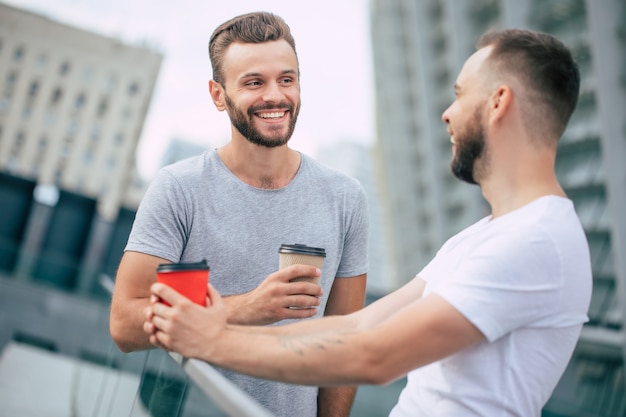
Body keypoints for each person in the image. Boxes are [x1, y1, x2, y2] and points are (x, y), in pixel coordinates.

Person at [144, 28, 593, 417]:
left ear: (498, 102)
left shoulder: (535, 241)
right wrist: (224, 321)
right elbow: (360, 326)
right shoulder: (487, 234)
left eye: (459, 94)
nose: (447, 113)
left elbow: (376, 356)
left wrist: (211, 342)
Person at [110, 11, 369, 417]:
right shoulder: (179, 188)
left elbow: (347, 341)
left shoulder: (346, 198)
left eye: (287, 79)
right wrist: (247, 309)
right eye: (254, 82)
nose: (276, 96)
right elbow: (125, 323)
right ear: (218, 95)